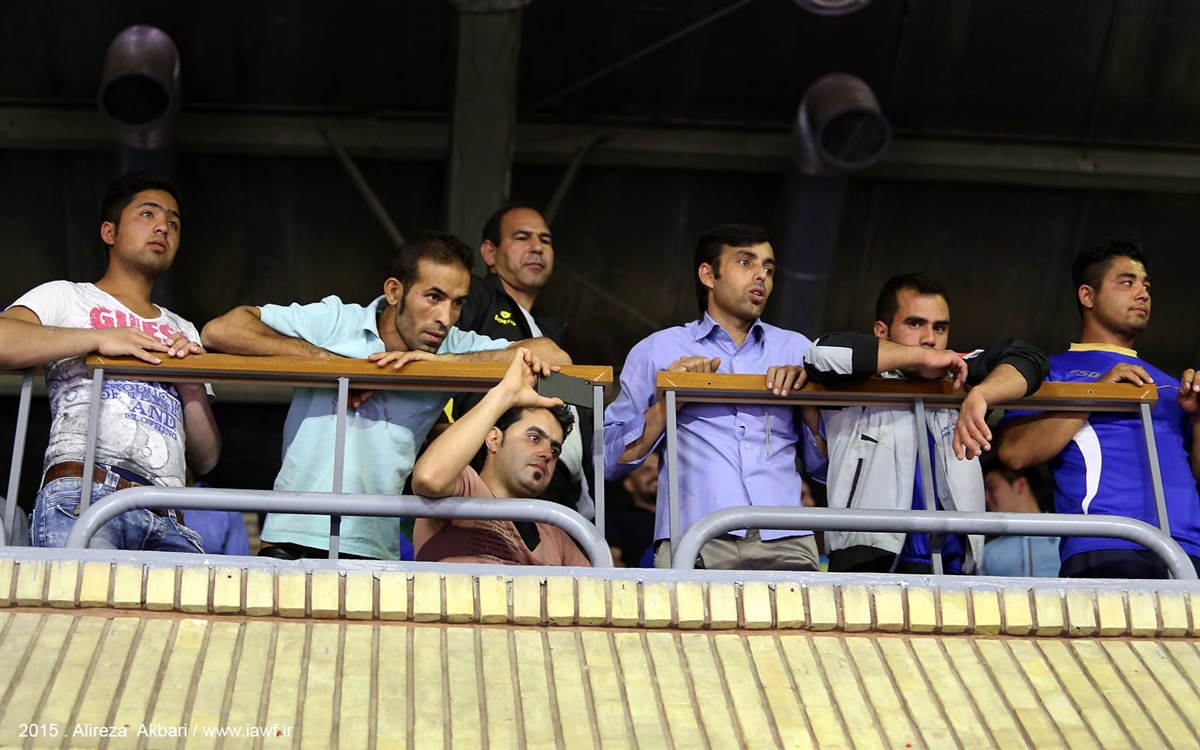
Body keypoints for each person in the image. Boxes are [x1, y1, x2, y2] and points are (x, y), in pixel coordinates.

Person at [201, 231, 570, 560]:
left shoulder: (452, 345)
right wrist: (336, 368)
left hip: (376, 549)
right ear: (394, 291)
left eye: (457, 303)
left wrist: (439, 365)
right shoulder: (337, 320)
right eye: (434, 297)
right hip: (291, 536)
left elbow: (556, 357)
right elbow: (221, 330)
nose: (445, 317)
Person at [0, 171, 220, 551]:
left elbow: (206, 458)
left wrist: (191, 387)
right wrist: (99, 337)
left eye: (174, 223)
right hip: (84, 493)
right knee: (84, 593)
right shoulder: (67, 296)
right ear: (109, 232)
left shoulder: (183, 328)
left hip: (169, 512)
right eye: (148, 214)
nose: (163, 227)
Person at [604, 224, 820, 571]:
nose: (761, 276)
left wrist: (810, 403)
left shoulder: (797, 349)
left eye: (768, 268)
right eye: (746, 262)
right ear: (708, 275)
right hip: (696, 538)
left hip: (787, 538)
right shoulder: (658, 349)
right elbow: (607, 461)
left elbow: (824, 470)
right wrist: (670, 401)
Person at [803, 273, 1049, 574]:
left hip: (952, 569)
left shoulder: (959, 375)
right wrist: (919, 357)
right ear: (881, 331)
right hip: (866, 564)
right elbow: (818, 354)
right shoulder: (854, 381)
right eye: (915, 324)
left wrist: (981, 395)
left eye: (940, 327)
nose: (930, 338)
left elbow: (1030, 357)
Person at [999, 240, 1200, 578]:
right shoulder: (1050, 371)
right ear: (1087, 296)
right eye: (1127, 282)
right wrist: (1096, 394)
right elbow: (1014, 453)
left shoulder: (1171, 384)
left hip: (1189, 550)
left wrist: (1198, 419)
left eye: (1146, 285)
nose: (1142, 294)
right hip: (1106, 543)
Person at [446, 204, 594, 523]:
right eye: (523, 237)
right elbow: (438, 355)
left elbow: (580, 398)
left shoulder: (550, 327)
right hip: (492, 479)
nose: (537, 247)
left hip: (563, 489)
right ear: (490, 252)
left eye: (545, 240)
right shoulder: (474, 295)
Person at [410, 349, 591, 566]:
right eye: (534, 438)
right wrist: (505, 393)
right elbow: (428, 478)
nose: (546, 453)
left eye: (555, 449)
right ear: (494, 439)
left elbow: (600, 584)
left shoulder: (555, 531)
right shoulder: (465, 487)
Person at [979, 459, 1059, 577]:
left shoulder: (1065, 538)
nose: (985, 498)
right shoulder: (986, 553)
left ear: (1020, 485)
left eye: (991, 488)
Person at [605, 450, 659, 568]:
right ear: (629, 484)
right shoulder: (615, 520)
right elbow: (611, 563)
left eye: (661, 469)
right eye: (647, 470)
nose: (656, 475)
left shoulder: (684, 520)